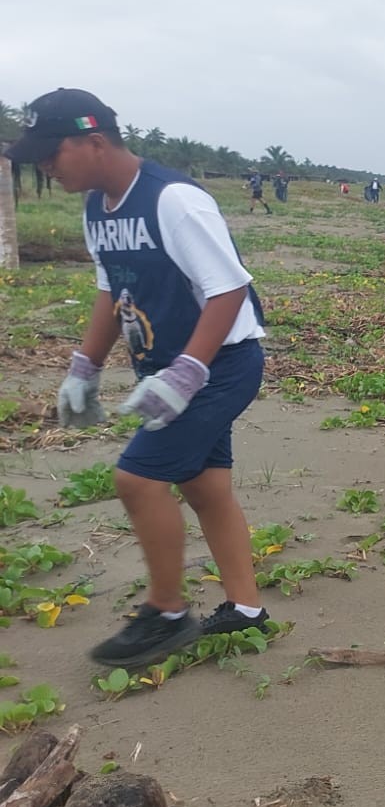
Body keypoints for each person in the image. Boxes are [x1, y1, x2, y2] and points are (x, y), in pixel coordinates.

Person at [11, 88, 270, 666]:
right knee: (203, 486)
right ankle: (246, 608)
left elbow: (228, 289)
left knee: (136, 479)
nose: (46, 167)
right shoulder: (97, 207)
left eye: (52, 154)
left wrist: (188, 370)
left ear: (94, 140)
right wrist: (86, 366)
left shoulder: (173, 200)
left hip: (220, 365)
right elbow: (113, 288)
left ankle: (167, 613)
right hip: (172, 367)